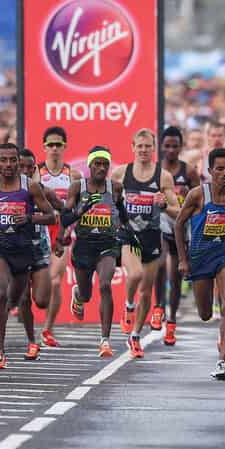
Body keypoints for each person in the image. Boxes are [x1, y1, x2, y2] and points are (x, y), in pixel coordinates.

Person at [0, 142, 57, 369]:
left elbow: (51, 216)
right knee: (0, 291)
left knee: (18, 299)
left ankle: (20, 330)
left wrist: (29, 218)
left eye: (12, 160)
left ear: (18, 162)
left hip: (24, 251)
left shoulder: (30, 187)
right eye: (3, 160)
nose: (8, 165)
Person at [174, 147, 225, 380]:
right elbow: (179, 225)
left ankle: (222, 360)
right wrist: (182, 259)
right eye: (219, 169)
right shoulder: (197, 195)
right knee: (205, 314)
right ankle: (221, 332)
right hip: (199, 258)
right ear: (209, 171)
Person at [113, 129, 179, 358]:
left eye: (148, 146)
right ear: (132, 147)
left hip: (152, 237)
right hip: (129, 236)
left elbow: (177, 213)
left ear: (154, 148)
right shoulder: (121, 174)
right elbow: (108, 203)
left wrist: (163, 206)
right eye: (139, 146)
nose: (143, 150)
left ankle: (136, 336)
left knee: (146, 293)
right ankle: (128, 306)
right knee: (134, 275)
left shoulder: (163, 177)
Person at [63, 147, 126, 358]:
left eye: (105, 164)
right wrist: (79, 212)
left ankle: (105, 340)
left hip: (107, 245)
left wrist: (128, 233)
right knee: (87, 294)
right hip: (83, 247)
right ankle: (78, 295)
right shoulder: (77, 187)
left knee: (106, 285)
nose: (101, 168)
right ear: (89, 166)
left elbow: (123, 213)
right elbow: (65, 218)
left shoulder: (115, 188)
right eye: (97, 164)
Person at [37, 126, 78, 349]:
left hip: (61, 234)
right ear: (44, 147)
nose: (54, 148)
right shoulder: (36, 173)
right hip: (38, 234)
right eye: (50, 145)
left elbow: (76, 209)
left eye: (58, 145)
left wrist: (69, 227)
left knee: (54, 280)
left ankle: (48, 329)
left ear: (64, 147)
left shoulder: (73, 175)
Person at [158, 126, 200, 339]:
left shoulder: (189, 171)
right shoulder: (155, 170)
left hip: (181, 225)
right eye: (167, 146)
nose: (171, 150)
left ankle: (172, 319)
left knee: (174, 277)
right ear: (162, 147)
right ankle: (158, 308)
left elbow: (199, 201)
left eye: (175, 146)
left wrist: (186, 198)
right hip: (160, 222)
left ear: (181, 147)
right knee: (159, 263)